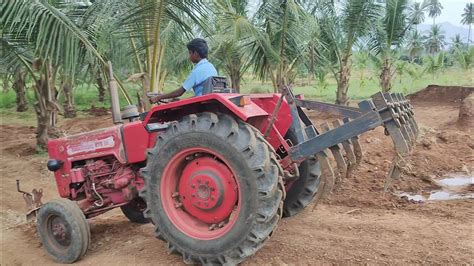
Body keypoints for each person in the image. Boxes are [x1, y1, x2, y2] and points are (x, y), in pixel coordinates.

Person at [148, 38, 217, 104]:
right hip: (207, 102)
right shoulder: (211, 67)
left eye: (190, 53)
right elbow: (201, 94)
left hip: (201, 104)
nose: (189, 56)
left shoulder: (198, 70)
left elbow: (180, 92)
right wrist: (182, 101)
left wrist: (158, 97)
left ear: (195, 53)